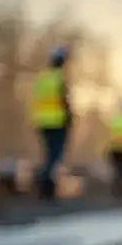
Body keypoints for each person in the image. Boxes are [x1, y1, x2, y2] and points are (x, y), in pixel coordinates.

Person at [31, 45, 72, 199]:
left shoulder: (42, 79)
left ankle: (44, 180)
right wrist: (69, 117)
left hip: (42, 122)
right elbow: (63, 101)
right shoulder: (59, 79)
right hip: (57, 122)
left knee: (48, 154)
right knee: (55, 155)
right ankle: (46, 183)